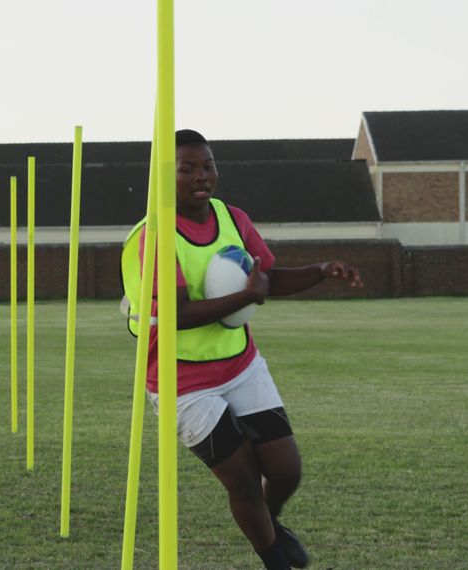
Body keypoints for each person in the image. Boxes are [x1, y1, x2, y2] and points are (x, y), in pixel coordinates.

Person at [138, 129, 364, 569]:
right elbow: (178, 314)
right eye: (187, 168)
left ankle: (269, 524)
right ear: (166, 176)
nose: (201, 176)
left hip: (240, 366)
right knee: (241, 477)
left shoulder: (233, 218)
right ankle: (272, 557)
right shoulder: (157, 234)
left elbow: (268, 279)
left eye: (208, 165)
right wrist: (247, 297)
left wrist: (321, 269)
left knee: (285, 470)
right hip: (182, 381)